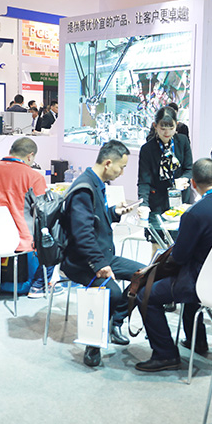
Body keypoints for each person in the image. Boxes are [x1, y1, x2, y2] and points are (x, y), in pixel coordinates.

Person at [134, 159, 212, 372]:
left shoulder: (194, 213)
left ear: (194, 184)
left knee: (145, 295)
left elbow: (179, 257)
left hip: (203, 284)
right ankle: (197, 341)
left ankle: (165, 354)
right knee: (192, 278)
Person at [61, 140, 145, 367]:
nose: (122, 172)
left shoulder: (97, 184)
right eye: (122, 167)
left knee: (145, 274)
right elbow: (82, 233)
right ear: (108, 163)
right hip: (82, 262)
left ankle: (115, 322)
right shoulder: (84, 188)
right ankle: (93, 344)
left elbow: (95, 219)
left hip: (102, 255)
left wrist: (114, 213)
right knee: (112, 292)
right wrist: (99, 264)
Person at [0, 137, 52, 298]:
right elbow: (44, 211)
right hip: (20, 241)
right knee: (55, 236)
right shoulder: (34, 177)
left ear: (10, 152)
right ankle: (38, 286)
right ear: (30, 156)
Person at [138, 106, 193, 226]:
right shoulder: (147, 149)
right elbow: (144, 181)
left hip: (181, 199)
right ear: (155, 126)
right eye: (162, 128)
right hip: (157, 201)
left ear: (176, 125)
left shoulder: (183, 141)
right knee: (158, 235)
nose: (167, 132)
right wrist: (143, 204)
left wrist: (184, 178)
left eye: (171, 128)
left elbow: (189, 169)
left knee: (181, 234)